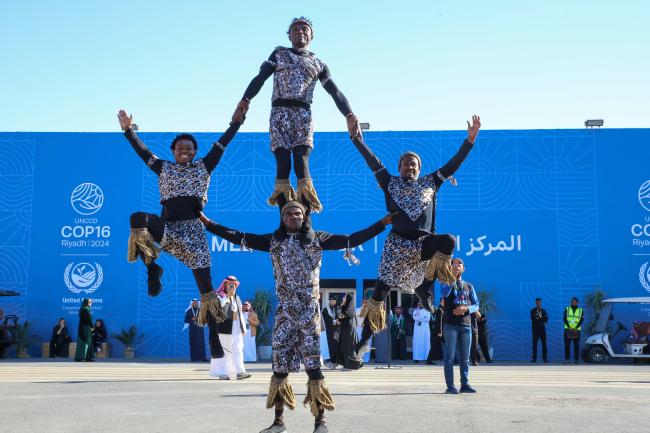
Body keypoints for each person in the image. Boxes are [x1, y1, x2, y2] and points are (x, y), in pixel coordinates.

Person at [200, 199, 391, 433]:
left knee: (314, 368)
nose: (293, 216)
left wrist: (382, 223)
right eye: (288, 213)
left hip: (309, 312)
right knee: (279, 368)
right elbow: (239, 236)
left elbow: (352, 239)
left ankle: (320, 422)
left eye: (298, 213)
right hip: (285, 313)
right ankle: (278, 422)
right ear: (282, 218)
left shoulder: (318, 238)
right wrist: (208, 224)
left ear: (304, 217)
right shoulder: (273, 241)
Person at [118, 108, 246, 360]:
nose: (184, 151)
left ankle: (213, 339)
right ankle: (152, 269)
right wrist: (127, 131)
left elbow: (222, 145)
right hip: (169, 229)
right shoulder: (163, 167)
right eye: (179, 148)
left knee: (207, 290)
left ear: (195, 152)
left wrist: (235, 124)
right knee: (137, 218)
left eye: (189, 148)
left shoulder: (204, 166)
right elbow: (143, 152)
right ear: (173, 151)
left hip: (194, 234)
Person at [352, 116, 481, 361]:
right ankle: (364, 342)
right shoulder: (389, 182)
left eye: (414, 165)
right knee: (379, 294)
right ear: (399, 167)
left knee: (449, 241)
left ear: (420, 169)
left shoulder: (430, 182)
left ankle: (425, 287)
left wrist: (469, 141)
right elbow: (372, 161)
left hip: (423, 245)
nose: (410, 168)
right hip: (397, 246)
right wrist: (356, 138)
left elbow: (453, 165)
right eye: (406, 164)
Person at [236, 17, 361, 213]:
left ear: (312, 35)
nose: (300, 31)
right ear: (289, 35)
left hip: (303, 116)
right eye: (295, 29)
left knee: (301, 162)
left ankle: (307, 222)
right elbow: (260, 78)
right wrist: (245, 100)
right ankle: (284, 220)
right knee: (283, 163)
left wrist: (349, 115)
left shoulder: (318, 63)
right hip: (279, 114)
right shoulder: (279, 54)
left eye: (305, 29)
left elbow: (334, 91)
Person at [441, 258, 479, 394]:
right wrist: (451, 276)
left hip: (466, 325)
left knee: (465, 357)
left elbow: (476, 304)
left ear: (464, 268)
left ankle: (465, 384)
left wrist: (466, 309)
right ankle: (450, 386)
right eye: (454, 264)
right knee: (450, 356)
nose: (457, 265)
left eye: (459, 264)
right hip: (451, 325)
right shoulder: (446, 282)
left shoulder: (469, 286)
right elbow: (445, 293)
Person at [210, 276, 251, 380]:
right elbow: (217, 309)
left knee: (238, 349)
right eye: (230, 284)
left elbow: (240, 313)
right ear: (225, 285)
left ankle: (240, 371)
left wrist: (243, 328)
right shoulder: (219, 296)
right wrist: (227, 297)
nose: (232, 287)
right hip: (224, 328)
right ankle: (222, 372)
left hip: (236, 328)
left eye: (234, 285)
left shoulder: (237, 298)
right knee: (224, 350)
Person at [332, 294, 362, 370]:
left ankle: (351, 366)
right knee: (343, 347)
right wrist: (339, 319)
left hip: (349, 329)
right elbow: (340, 315)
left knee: (349, 347)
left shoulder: (350, 308)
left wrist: (340, 316)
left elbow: (348, 314)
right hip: (344, 329)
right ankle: (346, 365)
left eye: (345, 297)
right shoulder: (344, 306)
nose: (343, 298)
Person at [563, 297, 583, 364]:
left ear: (577, 302)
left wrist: (576, 327)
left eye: (574, 301)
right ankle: (567, 359)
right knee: (567, 345)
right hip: (568, 330)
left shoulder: (581, 310)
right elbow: (564, 318)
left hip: (576, 330)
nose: (573, 302)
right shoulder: (567, 309)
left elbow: (581, 320)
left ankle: (576, 360)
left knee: (576, 345)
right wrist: (569, 327)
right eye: (572, 301)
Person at [321, 295, 339, 365]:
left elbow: (340, 318)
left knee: (336, 344)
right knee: (330, 345)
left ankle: (337, 359)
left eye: (333, 301)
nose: (332, 302)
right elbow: (325, 320)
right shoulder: (325, 310)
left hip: (337, 330)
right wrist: (333, 322)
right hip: (329, 330)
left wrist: (337, 321)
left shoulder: (338, 309)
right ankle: (331, 359)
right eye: (330, 301)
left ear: (336, 301)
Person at [427, 298, 446, 364]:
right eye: (443, 301)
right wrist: (440, 331)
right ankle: (429, 360)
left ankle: (429, 360)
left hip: (442, 331)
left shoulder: (443, 309)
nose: (445, 302)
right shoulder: (439, 310)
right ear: (441, 302)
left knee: (435, 346)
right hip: (438, 332)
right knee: (435, 346)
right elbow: (439, 322)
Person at [530, 298, 549, 363]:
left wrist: (539, 319)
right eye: (537, 302)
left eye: (539, 302)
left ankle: (545, 358)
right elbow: (533, 319)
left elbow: (546, 319)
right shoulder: (533, 310)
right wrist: (541, 319)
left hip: (542, 329)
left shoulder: (543, 311)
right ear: (535, 303)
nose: (538, 303)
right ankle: (534, 358)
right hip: (535, 329)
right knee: (534, 344)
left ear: (541, 303)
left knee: (544, 344)